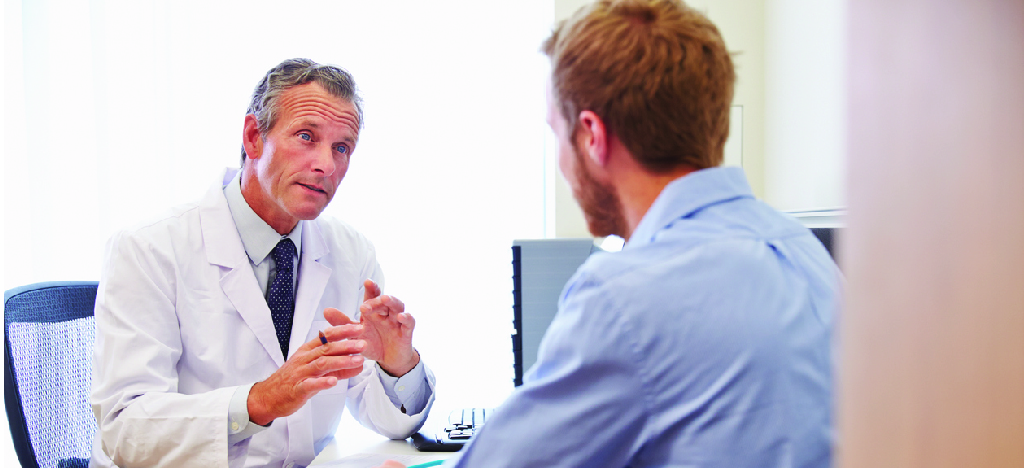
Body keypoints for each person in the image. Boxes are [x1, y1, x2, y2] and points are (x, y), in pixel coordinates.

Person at [381, 0, 839, 467]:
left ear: (592, 136)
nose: (560, 161)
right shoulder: (810, 257)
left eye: (557, 136)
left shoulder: (626, 296)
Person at [91, 58, 435, 468]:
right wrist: (260, 401)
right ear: (254, 137)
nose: (326, 163)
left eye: (341, 148)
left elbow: (386, 419)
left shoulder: (352, 252)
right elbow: (126, 429)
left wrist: (398, 366)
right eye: (307, 137)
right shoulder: (149, 248)